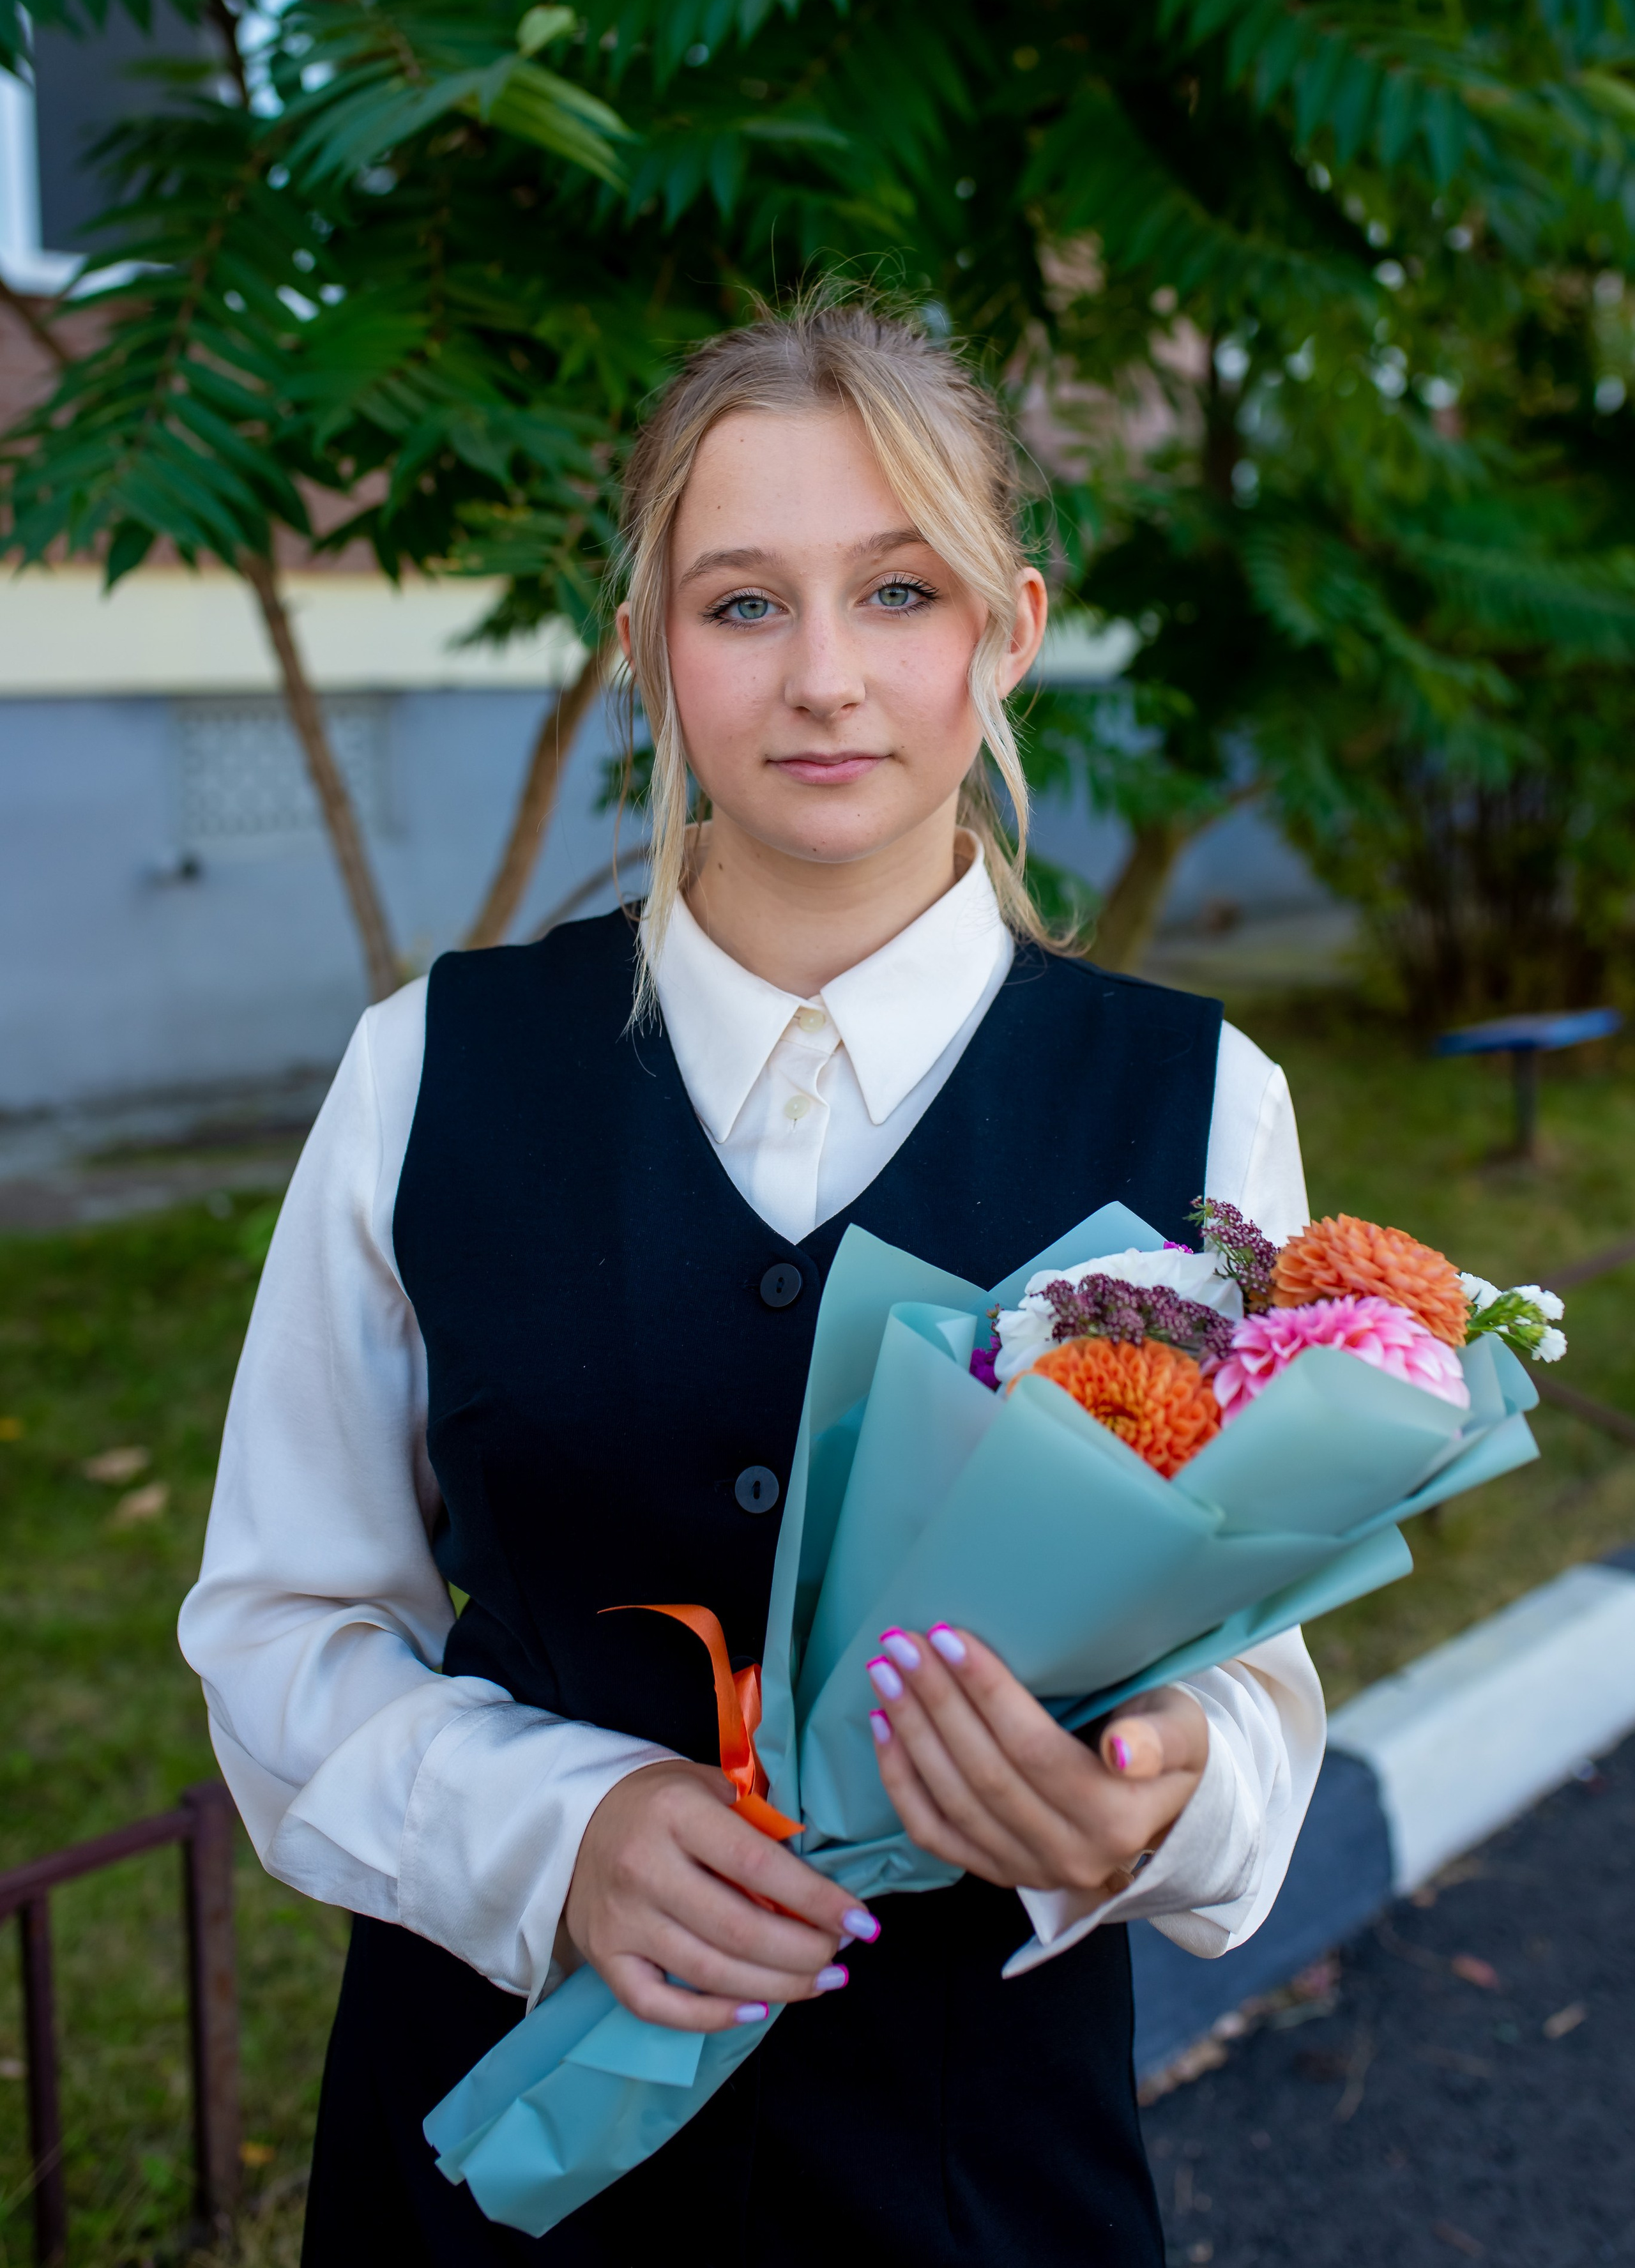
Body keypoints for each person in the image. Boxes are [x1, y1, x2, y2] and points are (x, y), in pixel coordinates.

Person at [180, 300, 1323, 2266]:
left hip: (981, 2184)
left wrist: (1161, 1797)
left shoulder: (1197, 1100)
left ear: (1009, 629)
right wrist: (562, 1836)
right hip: (493, 2168)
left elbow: (1258, 1673)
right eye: (740, 604)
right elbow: (286, 1626)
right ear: (642, 650)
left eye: (897, 590)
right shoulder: (428, 1073)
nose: (825, 680)